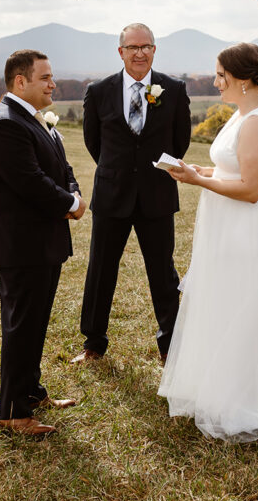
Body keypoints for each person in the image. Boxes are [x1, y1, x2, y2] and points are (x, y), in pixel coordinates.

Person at [157, 42, 258, 443]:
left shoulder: (257, 120)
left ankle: (242, 400)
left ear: (241, 78)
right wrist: (199, 168)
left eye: (221, 75)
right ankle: (217, 388)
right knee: (225, 301)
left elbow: (252, 188)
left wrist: (197, 180)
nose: (216, 82)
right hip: (233, 223)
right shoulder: (244, 113)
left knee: (243, 306)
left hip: (252, 226)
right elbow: (232, 167)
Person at [0, 50, 87, 436]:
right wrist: (71, 204)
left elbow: (61, 169)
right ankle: (12, 411)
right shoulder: (7, 125)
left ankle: (32, 392)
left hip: (41, 242)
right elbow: (31, 183)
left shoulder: (32, 119)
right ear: (20, 82)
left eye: (52, 76)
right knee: (20, 327)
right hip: (21, 245)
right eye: (45, 78)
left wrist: (72, 193)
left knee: (35, 323)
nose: (52, 84)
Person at [71, 23, 192, 364]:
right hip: (112, 194)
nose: (140, 52)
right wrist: (118, 170)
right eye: (133, 47)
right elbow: (94, 142)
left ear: (154, 50)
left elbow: (180, 140)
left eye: (147, 46)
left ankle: (170, 345)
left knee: (163, 272)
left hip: (157, 195)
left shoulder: (174, 88)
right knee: (100, 270)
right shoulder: (99, 91)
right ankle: (93, 344)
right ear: (120, 51)